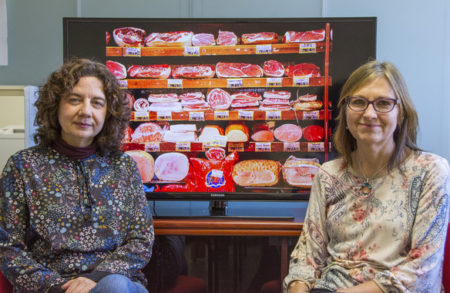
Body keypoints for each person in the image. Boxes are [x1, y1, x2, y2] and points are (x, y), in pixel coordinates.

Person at [284, 60, 449, 293]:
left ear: (401, 113)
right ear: (345, 111)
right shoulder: (328, 175)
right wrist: (298, 288)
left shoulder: (431, 171)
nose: (369, 114)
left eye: (383, 103)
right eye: (358, 102)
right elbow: (306, 258)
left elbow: (422, 272)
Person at [0, 58, 154, 293]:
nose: (86, 111)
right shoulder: (22, 166)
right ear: (55, 105)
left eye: (97, 103)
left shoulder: (123, 166)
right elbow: (8, 248)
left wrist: (96, 278)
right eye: (74, 100)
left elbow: (141, 240)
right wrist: (60, 287)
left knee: (113, 286)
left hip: (116, 282)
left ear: (108, 113)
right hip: (50, 288)